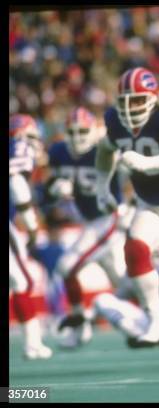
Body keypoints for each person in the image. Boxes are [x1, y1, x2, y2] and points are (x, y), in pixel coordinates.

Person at [95, 67, 159, 346]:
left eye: (138, 100)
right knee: (135, 248)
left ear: (153, 98)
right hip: (154, 209)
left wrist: (149, 164)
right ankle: (157, 319)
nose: (130, 107)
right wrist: (102, 186)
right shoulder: (115, 121)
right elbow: (105, 149)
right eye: (125, 100)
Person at [46, 106, 134, 348]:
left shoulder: (103, 149)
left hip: (108, 220)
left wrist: (129, 206)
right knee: (124, 284)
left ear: (93, 130)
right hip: (89, 221)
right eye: (72, 132)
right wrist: (55, 186)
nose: (77, 137)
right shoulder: (58, 151)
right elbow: (50, 182)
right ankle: (152, 318)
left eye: (82, 131)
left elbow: (132, 176)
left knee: (66, 267)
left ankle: (79, 321)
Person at [9, 113, 53, 360]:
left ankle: (33, 344)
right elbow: (16, 184)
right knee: (22, 281)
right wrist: (32, 225)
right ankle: (33, 344)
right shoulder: (19, 147)